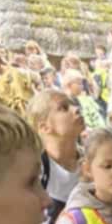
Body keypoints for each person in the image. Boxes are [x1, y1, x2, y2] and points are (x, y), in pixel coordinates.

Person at [30, 86, 85, 216]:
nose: (76, 109)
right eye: (64, 108)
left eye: (74, 105)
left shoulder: (94, 160)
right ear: (45, 127)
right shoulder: (34, 171)